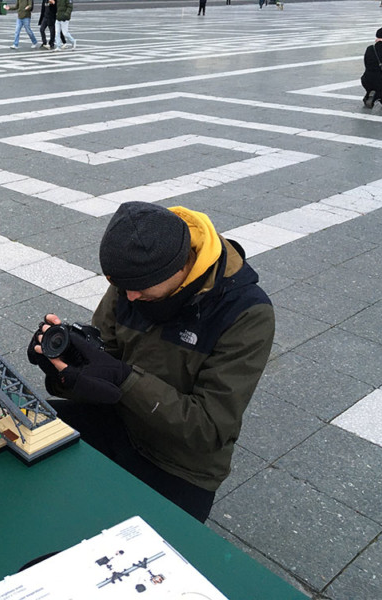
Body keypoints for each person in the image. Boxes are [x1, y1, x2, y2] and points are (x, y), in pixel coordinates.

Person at [28, 203, 275, 523]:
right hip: (118, 420)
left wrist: (124, 379)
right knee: (21, 435)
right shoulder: (133, 281)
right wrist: (66, 369)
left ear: (180, 269)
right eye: (121, 287)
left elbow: (209, 429)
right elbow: (105, 363)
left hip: (180, 465)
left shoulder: (247, 314)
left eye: (140, 290)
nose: (129, 298)